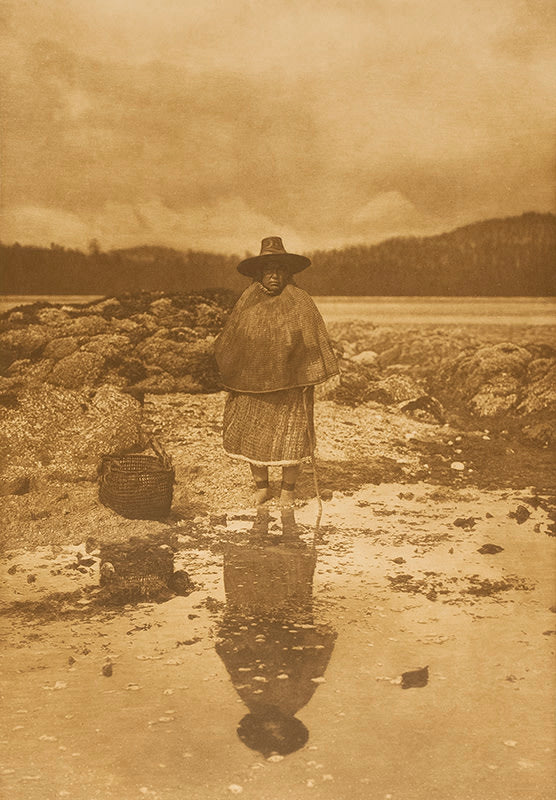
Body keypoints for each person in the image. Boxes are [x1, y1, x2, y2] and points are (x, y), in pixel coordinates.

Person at [214, 236, 338, 506]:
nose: (274, 276)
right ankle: (262, 487)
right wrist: (233, 371)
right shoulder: (247, 302)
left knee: (291, 438)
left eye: (280, 270)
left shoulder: (300, 301)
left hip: (290, 383)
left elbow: (313, 340)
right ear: (259, 273)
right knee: (252, 437)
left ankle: (288, 491)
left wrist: (309, 375)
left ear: (288, 273)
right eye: (269, 270)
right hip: (251, 383)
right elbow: (231, 339)